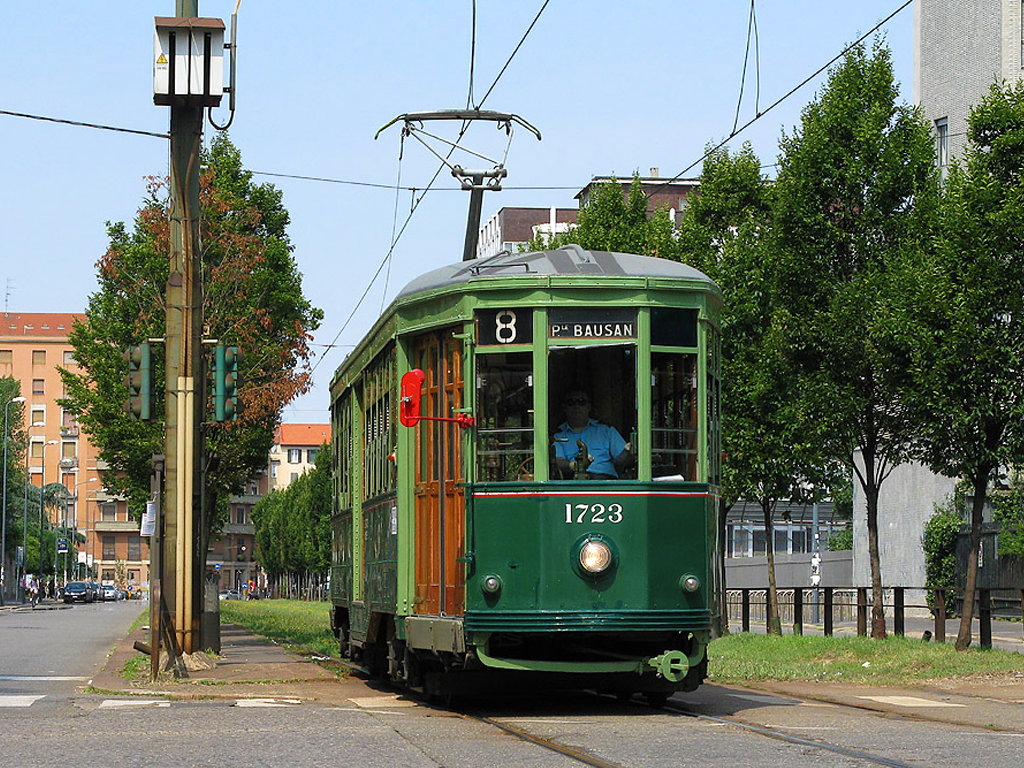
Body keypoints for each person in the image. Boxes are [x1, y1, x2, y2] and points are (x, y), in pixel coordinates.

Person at [553, 389, 633, 479]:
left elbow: (622, 459)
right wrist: (575, 466)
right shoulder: (558, 436)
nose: (576, 406)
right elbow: (558, 461)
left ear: (588, 407)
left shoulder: (606, 430)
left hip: (606, 483)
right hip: (575, 484)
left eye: (581, 402)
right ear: (565, 408)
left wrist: (626, 452)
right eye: (571, 403)